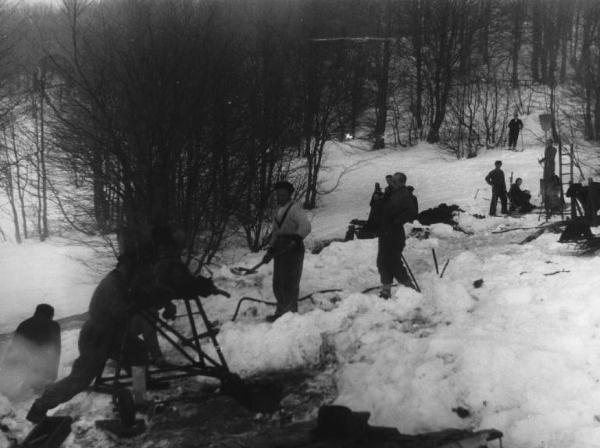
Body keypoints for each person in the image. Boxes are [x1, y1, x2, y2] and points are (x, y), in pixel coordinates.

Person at [27, 228, 226, 424]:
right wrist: (147, 301)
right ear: (125, 267)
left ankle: (139, 399)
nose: (136, 272)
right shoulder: (113, 284)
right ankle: (40, 406)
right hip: (96, 337)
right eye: (133, 268)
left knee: (139, 352)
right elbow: (123, 310)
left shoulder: (125, 281)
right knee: (81, 378)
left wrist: (166, 300)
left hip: (113, 334)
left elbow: (146, 292)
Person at [261, 181, 311, 322]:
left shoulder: (296, 209)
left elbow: (306, 226)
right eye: (278, 195)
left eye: (283, 195)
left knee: (290, 282)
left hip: (293, 249)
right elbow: (276, 233)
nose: (280, 197)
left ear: (289, 195)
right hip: (280, 248)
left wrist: (296, 239)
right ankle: (281, 311)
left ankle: (290, 316)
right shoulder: (278, 210)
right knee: (278, 282)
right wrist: (270, 250)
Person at [0, 304, 61, 400]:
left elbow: (15, 345)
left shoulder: (24, 324)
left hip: (25, 360)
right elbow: (57, 350)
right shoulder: (54, 325)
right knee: (39, 385)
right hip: (42, 362)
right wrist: (54, 372)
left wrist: (7, 365)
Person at [376, 172, 418, 299]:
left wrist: (396, 221)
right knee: (382, 261)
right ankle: (386, 290)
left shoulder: (405, 195)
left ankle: (409, 287)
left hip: (394, 233)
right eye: (391, 181)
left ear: (401, 183)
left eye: (394, 181)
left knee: (393, 261)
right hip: (385, 232)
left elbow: (412, 213)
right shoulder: (391, 193)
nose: (391, 183)